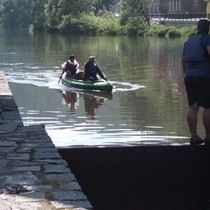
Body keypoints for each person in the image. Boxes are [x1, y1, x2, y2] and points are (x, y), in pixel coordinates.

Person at [182, 19, 210, 145]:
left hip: (189, 76)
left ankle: (194, 137)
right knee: (208, 107)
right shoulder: (207, 39)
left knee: (193, 107)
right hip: (204, 76)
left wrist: (185, 73)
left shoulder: (189, 41)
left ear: (197, 28)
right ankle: (208, 138)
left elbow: (183, 61)